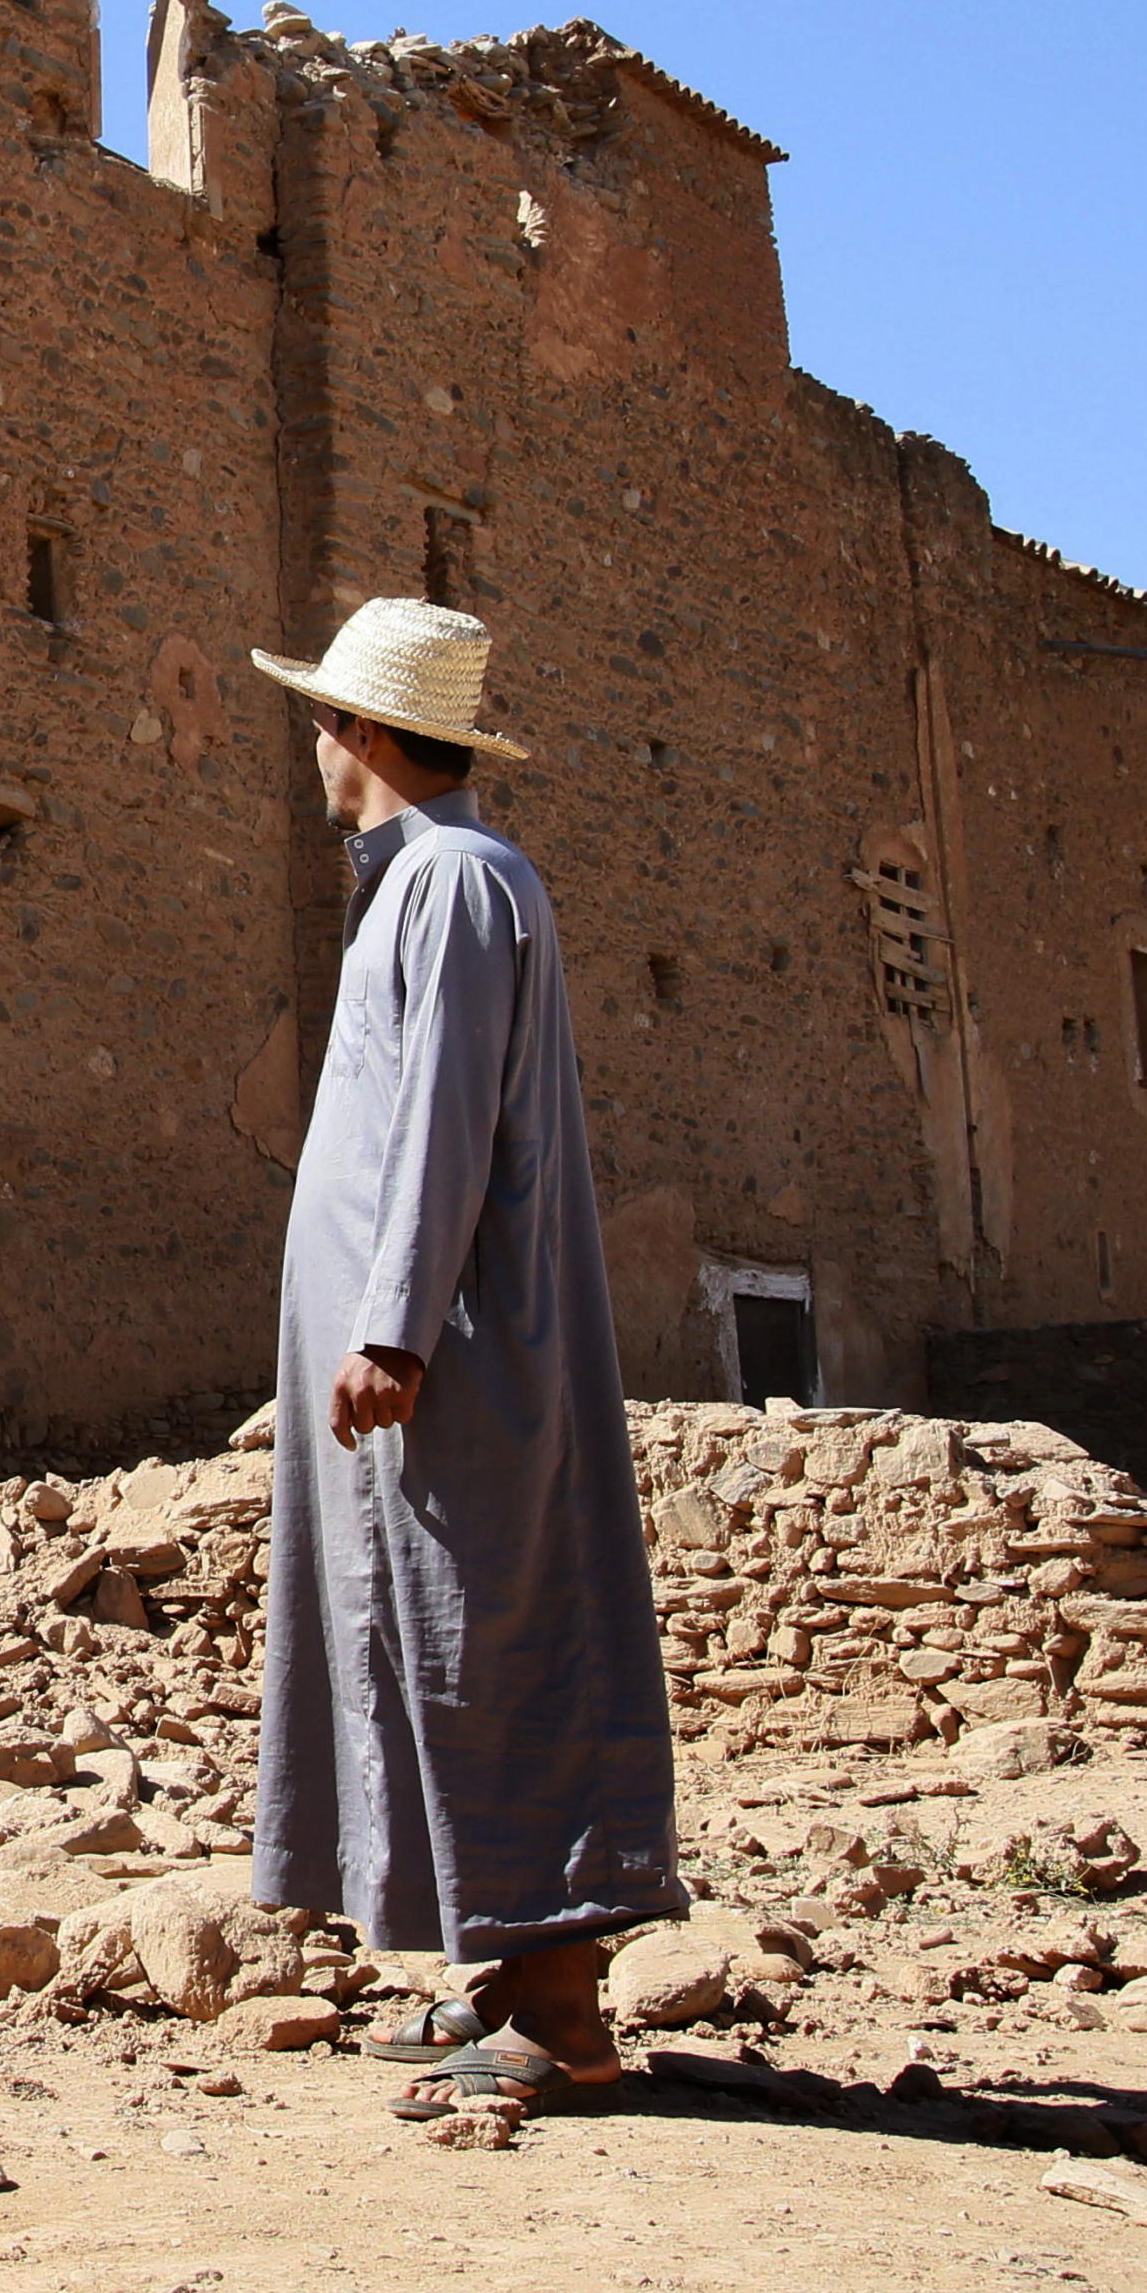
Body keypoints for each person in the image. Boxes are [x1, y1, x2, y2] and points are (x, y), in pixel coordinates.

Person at [241, 596, 689, 2126]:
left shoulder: (451, 883)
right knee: (427, 1643)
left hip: (456, 1358)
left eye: (322, 721)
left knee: (486, 1637)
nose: (312, 746)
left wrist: (390, 1327)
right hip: (427, 1356)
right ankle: (502, 1978)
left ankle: (564, 2015)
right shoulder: (431, 886)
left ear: (361, 734)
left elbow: (439, 1118)